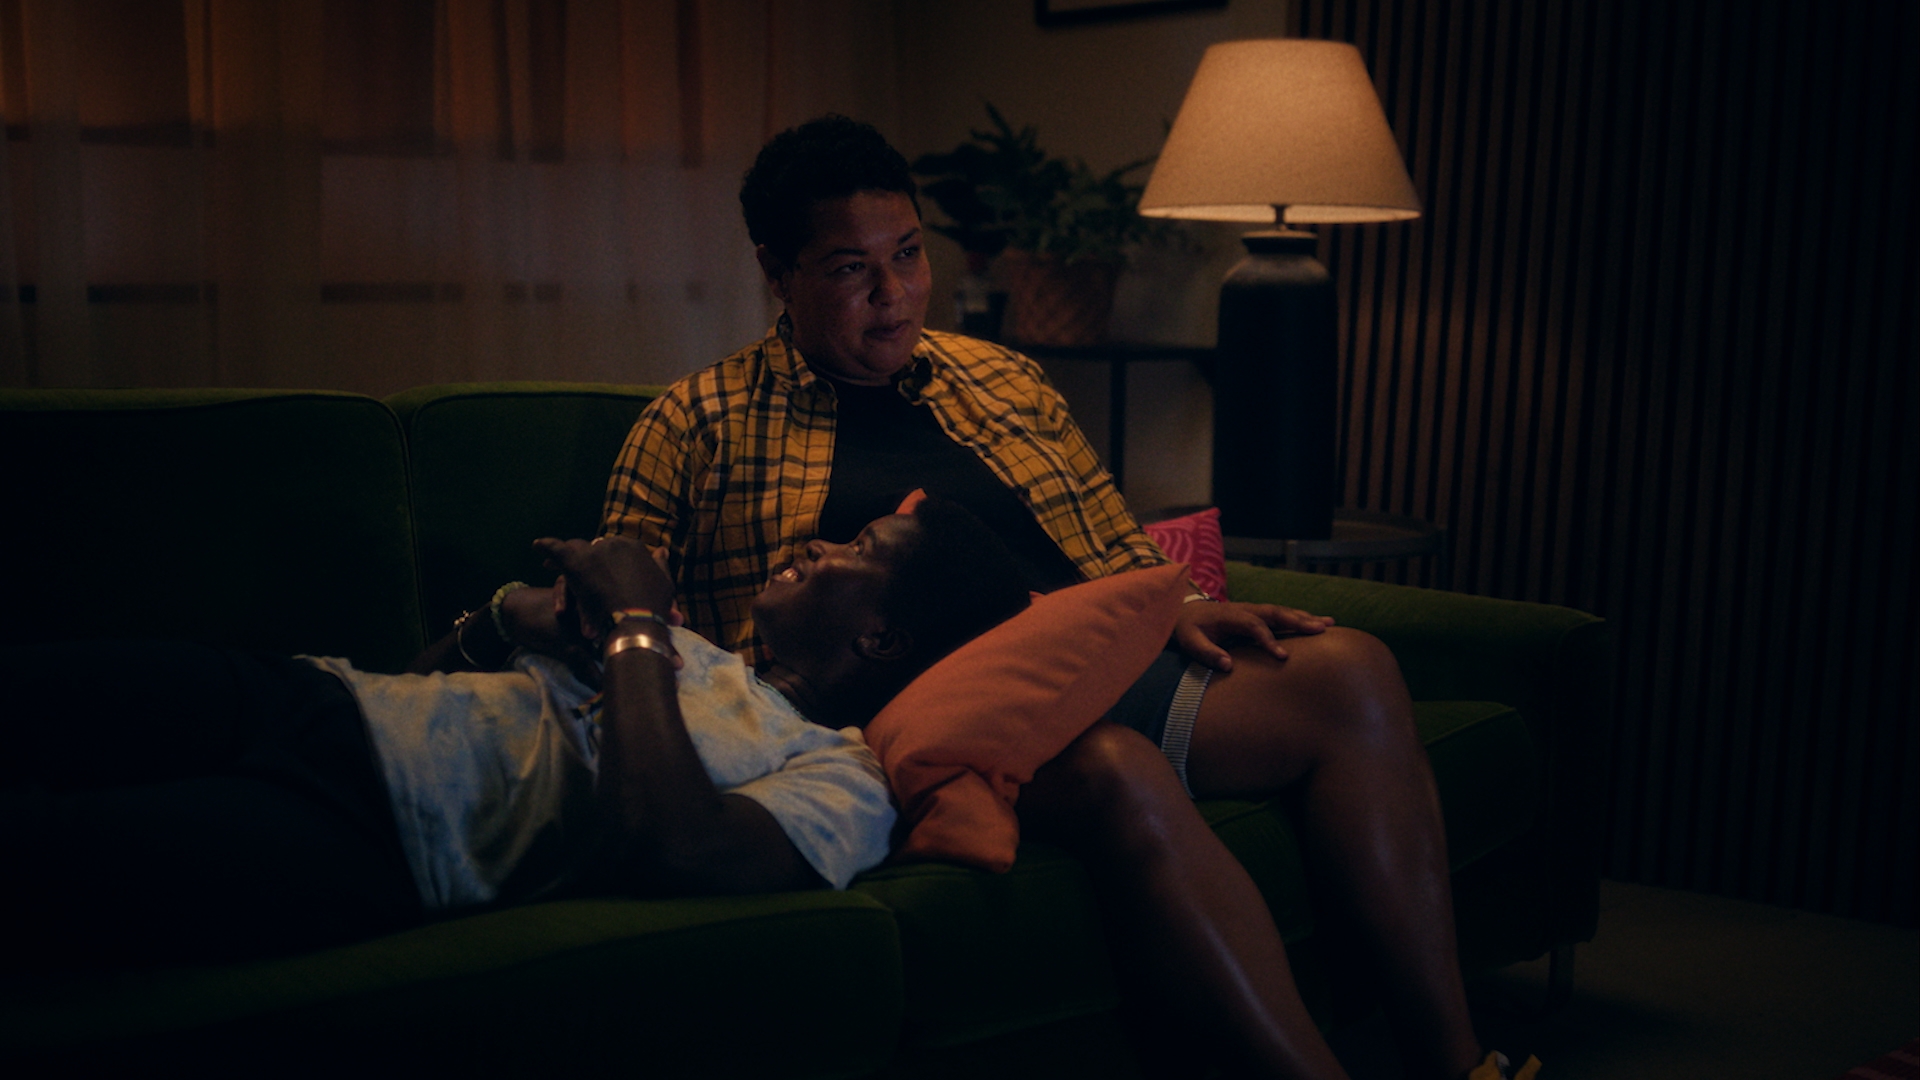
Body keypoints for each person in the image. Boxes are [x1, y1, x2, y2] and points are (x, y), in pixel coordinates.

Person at [600, 115, 1537, 1080]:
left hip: (1078, 660)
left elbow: (1109, 537)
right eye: (850, 269)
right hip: (901, 721)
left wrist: (1179, 605)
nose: (894, 293)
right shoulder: (697, 420)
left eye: (909, 254)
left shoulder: (1000, 378)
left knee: (1350, 672)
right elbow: (623, 592)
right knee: (1114, 767)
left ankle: (1456, 1064)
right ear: (777, 270)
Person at [0, 497, 1031, 972]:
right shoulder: (693, 655)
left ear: (881, 636)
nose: (818, 541)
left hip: (370, 834)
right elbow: (410, 690)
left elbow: (676, 845)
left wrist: (635, 627)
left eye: (858, 546)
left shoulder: (840, 776)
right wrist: (502, 623)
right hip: (303, 696)